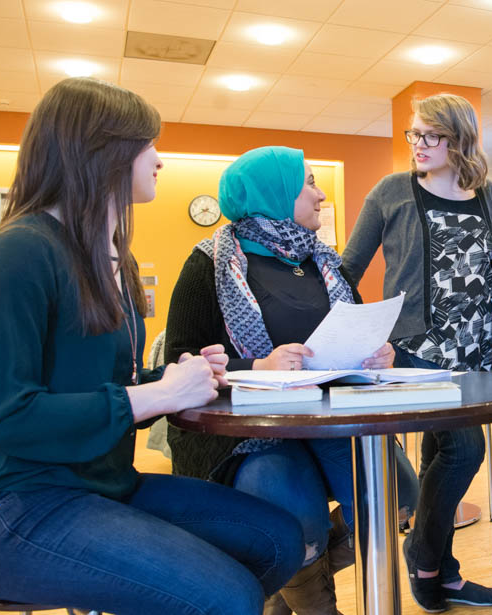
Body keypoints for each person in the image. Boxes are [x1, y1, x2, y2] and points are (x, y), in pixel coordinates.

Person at [0, 78, 304, 615]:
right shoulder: (20, 251)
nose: (159, 159)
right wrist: (151, 398)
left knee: (278, 540)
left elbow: (101, 390)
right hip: (10, 506)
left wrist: (173, 383)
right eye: (147, 144)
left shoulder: (116, 259)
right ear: (100, 151)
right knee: (228, 599)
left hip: (104, 484)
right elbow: (4, 416)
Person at [165, 145, 419, 615]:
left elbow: (356, 328)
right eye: (310, 183)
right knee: (298, 521)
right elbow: (175, 360)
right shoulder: (209, 263)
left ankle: (290, 588)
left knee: (399, 496)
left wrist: (379, 352)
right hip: (249, 429)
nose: (321, 194)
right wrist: (256, 367)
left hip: (329, 416)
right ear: (275, 192)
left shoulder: (327, 263)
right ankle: (314, 603)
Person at [342, 93, 492, 612]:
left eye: (430, 135)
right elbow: (347, 271)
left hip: (475, 354)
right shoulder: (392, 191)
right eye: (414, 134)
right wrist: (362, 334)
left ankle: (442, 574)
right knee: (466, 451)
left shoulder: (489, 194)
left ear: (459, 138)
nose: (418, 144)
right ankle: (423, 553)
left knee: (440, 455)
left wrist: (487, 328)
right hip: (415, 351)